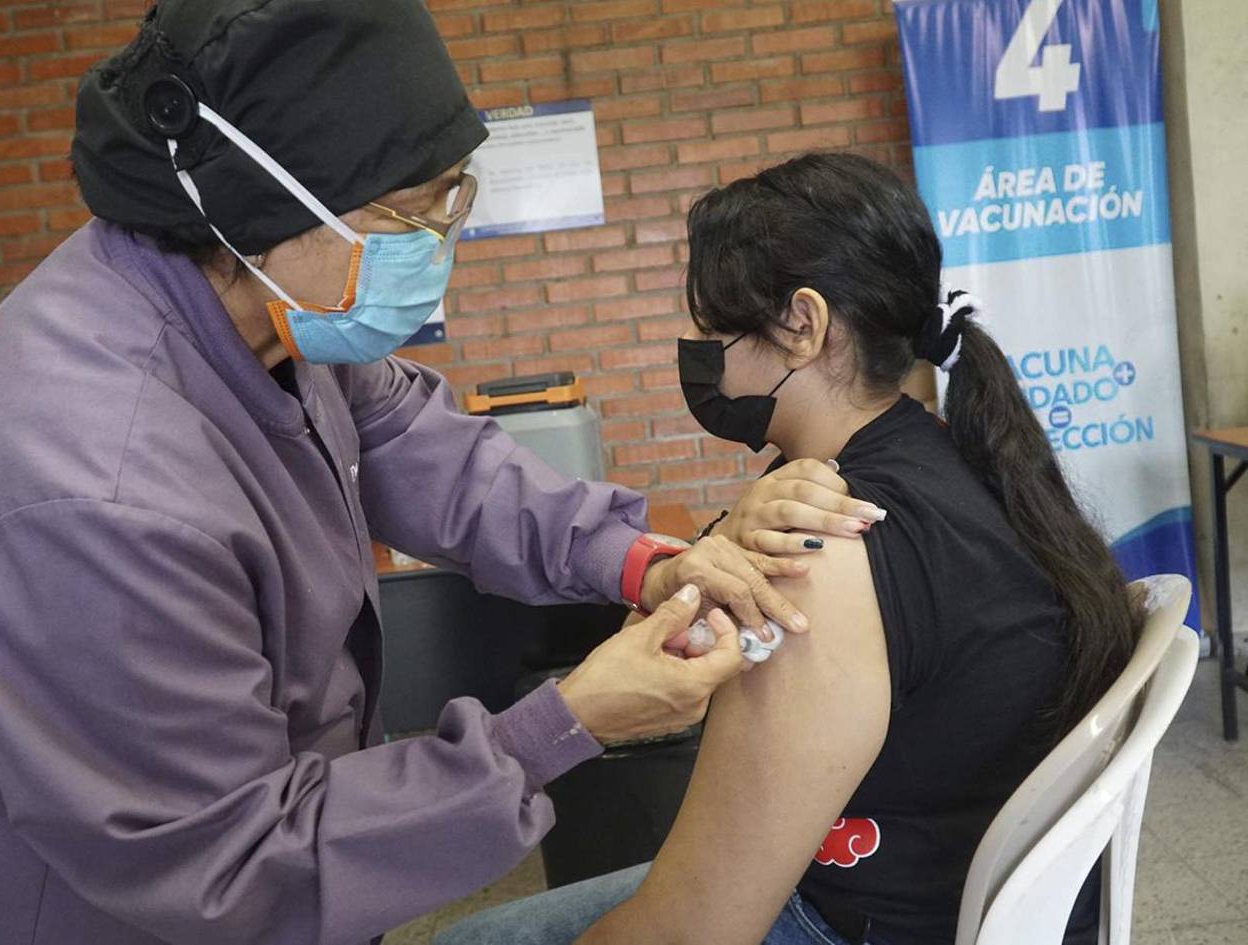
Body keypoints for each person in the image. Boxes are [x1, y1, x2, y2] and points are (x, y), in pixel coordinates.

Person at [0, 5, 884, 945]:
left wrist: (639, 560)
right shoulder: (97, 487)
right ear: (266, 200)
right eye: (411, 210)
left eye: (452, 199)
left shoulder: (275, 304)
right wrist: (564, 723)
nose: (436, 241)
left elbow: (420, 443)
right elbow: (235, 866)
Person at [433, 152, 1143, 945]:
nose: (695, 349)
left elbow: (691, 933)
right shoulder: (951, 456)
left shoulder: (825, 551)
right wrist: (719, 541)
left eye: (712, 329)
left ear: (803, 324)